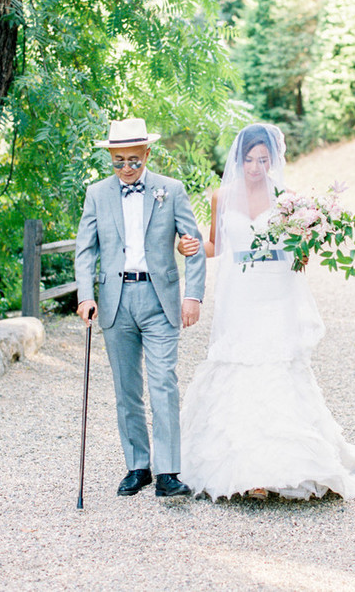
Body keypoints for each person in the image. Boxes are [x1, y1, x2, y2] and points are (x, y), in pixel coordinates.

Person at [178, 123, 355, 501]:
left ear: (273, 159)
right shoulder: (221, 197)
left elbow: (300, 250)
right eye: (249, 159)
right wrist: (190, 248)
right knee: (239, 365)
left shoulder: (287, 198)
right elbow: (216, 246)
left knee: (277, 366)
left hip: (275, 291)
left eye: (263, 159)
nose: (255, 167)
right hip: (240, 292)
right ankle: (246, 470)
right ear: (238, 159)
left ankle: (288, 465)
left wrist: (309, 242)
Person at [75, 117, 206, 498]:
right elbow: (86, 250)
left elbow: (192, 242)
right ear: (110, 158)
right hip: (115, 301)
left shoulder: (171, 190)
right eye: (119, 161)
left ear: (148, 153)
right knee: (126, 388)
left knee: (163, 383)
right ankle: (138, 466)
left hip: (159, 298)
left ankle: (168, 472)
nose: (127, 168)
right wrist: (85, 295)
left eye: (134, 160)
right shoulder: (97, 194)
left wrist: (193, 295)